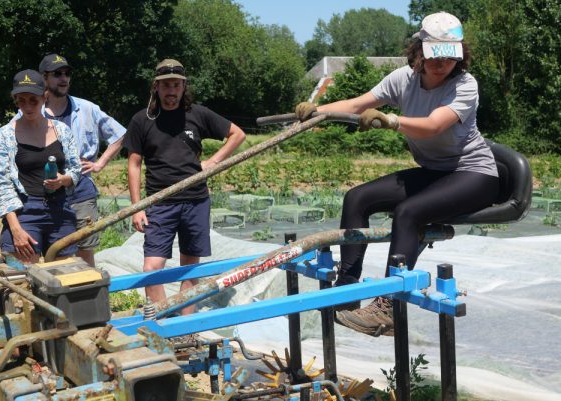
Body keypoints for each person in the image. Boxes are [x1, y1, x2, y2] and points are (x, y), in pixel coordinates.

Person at [295, 12, 499, 336]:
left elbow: (433, 126)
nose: (442, 64)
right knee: (357, 198)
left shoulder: (465, 85)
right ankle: (347, 289)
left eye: (450, 57)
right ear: (419, 52)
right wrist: (319, 110)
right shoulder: (403, 79)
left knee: (408, 212)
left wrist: (391, 121)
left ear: (459, 56)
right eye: (435, 56)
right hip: (435, 172)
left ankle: (388, 307)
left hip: (473, 175)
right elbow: (359, 104)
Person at [123, 59, 246, 315]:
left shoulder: (198, 114)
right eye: (166, 85)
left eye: (176, 85)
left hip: (195, 201)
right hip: (159, 203)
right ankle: (162, 320)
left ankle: (185, 328)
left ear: (183, 87)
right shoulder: (142, 120)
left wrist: (213, 161)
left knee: (190, 269)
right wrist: (137, 208)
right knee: (151, 268)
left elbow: (237, 134)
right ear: (156, 87)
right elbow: (134, 164)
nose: (171, 91)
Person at [37, 54, 126, 266]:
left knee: (85, 251)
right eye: (57, 74)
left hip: (81, 193)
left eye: (67, 73)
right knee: (53, 252)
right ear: (44, 78)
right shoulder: (33, 111)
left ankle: (89, 286)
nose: (64, 78)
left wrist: (100, 163)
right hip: (45, 194)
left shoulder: (87, 108)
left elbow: (120, 135)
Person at [0, 69, 81, 263]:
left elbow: (75, 170)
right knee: (23, 276)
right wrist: (15, 229)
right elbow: (2, 185)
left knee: (64, 275)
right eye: (21, 101)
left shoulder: (62, 130)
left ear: (45, 97)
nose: (27, 106)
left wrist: (63, 180)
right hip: (24, 211)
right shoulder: (5, 135)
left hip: (60, 210)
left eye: (33, 100)